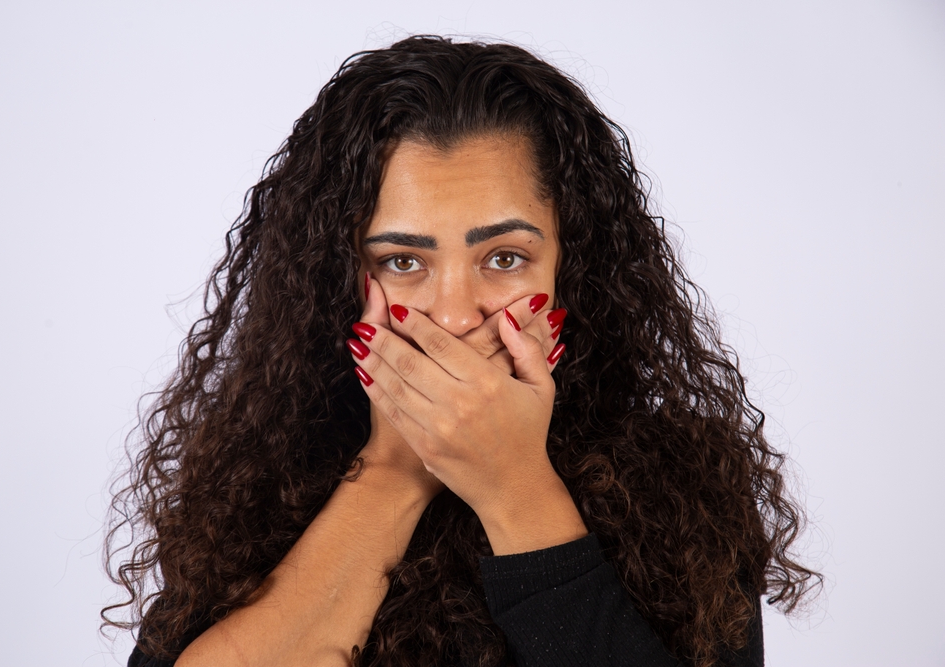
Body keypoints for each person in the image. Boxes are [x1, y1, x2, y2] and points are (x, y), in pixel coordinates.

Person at [104, 35, 820, 667]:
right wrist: (396, 467)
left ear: (573, 269)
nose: (452, 312)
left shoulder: (677, 482)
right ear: (342, 278)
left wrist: (515, 487)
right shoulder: (267, 471)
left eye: (504, 258)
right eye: (403, 261)